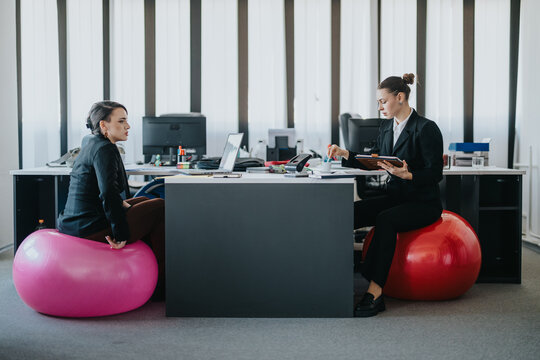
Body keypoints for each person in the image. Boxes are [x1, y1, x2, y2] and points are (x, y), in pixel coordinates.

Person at [328, 73, 443, 317]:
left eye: (383, 101)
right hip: (396, 197)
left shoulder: (426, 128)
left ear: (400, 97)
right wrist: (344, 153)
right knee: (351, 212)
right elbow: (375, 159)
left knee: (386, 220)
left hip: (423, 203)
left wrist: (408, 175)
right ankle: (333, 280)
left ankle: (375, 291)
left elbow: (435, 173)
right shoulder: (387, 127)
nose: (379, 107)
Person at [57, 101, 165, 300]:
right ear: (103, 126)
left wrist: (129, 206)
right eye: (121, 121)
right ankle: (162, 284)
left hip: (75, 222)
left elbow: (106, 193)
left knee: (143, 199)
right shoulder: (104, 149)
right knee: (160, 206)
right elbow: (108, 194)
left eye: (127, 120)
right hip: (89, 227)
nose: (128, 126)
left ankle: (156, 274)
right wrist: (120, 233)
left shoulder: (93, 144)